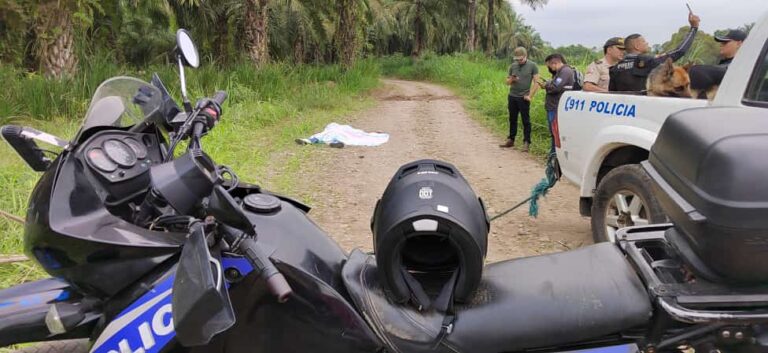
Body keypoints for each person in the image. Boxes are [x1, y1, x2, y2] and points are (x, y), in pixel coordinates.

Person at [609, 12, 701, 93]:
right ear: (637, 46)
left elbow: (612, 95)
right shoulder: (649, 62)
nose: (647, 43)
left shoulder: (615, 68)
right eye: (644, 42)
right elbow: (679, 51)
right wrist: (694, 28)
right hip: (646, 108)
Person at [500, 47, 540, 152]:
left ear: (525, 56)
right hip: (512, 96)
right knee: (512, 119)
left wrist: (530, 96)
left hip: (524, 97)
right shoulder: (513, 66)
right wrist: (512, 79)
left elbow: (537, 82)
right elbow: (507, 82)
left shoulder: (533, 66)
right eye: (517, 59)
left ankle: (526, 142)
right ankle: (511, 139)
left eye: (520, 59)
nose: (519, 61)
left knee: (525, 120)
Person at [539, 54, 574, 152]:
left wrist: (546, 85)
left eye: (549, 66)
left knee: (556, 134)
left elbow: (555, 87)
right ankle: (553, 155)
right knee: (554, 134)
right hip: (553, 106)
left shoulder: (565, 71)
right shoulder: (559, 72)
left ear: (554, 63)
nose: (549, 68)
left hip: (556, 107)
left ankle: (554, 156)